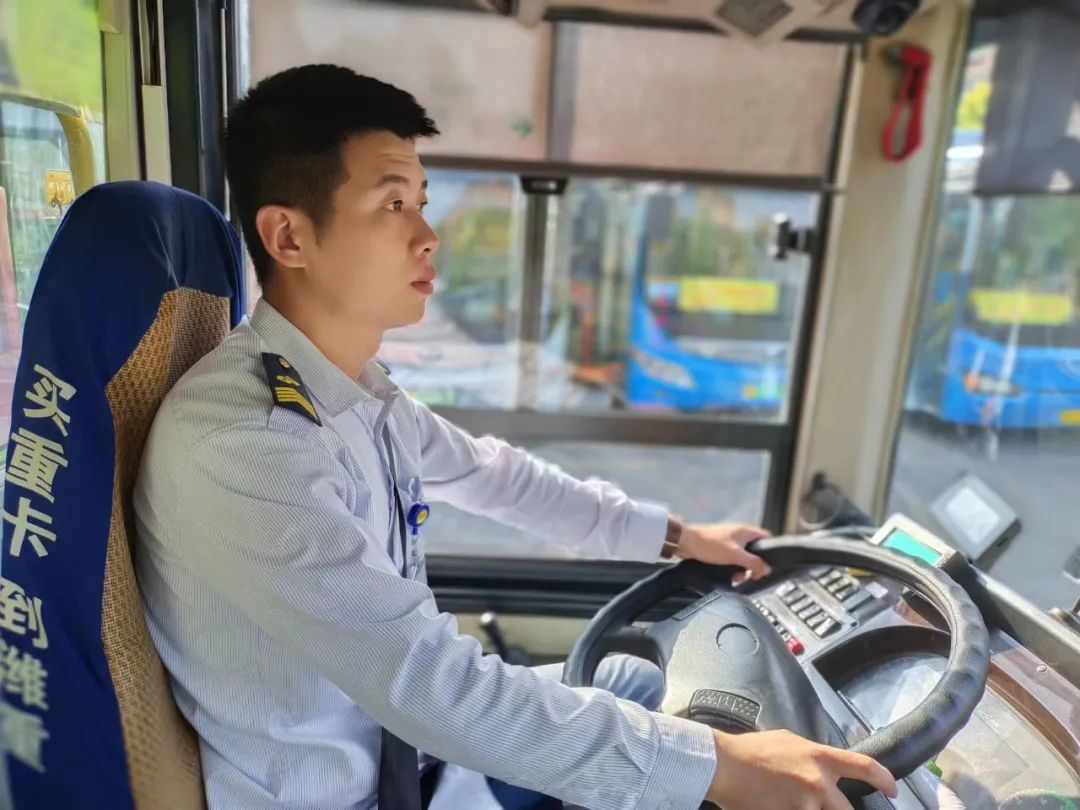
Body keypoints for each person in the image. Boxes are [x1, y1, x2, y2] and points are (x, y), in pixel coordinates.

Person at [133, 64, 898, 810]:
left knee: (645, 685)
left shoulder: (355, 395)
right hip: (359, 792)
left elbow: (493, 476)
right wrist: (719, 768)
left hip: (421, 759)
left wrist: (676, 537)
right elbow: (427, 683)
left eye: (422, 201)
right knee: (707, 759)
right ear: (289, 237)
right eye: (392, 204)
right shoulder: (247, 444)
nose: (428, 235)